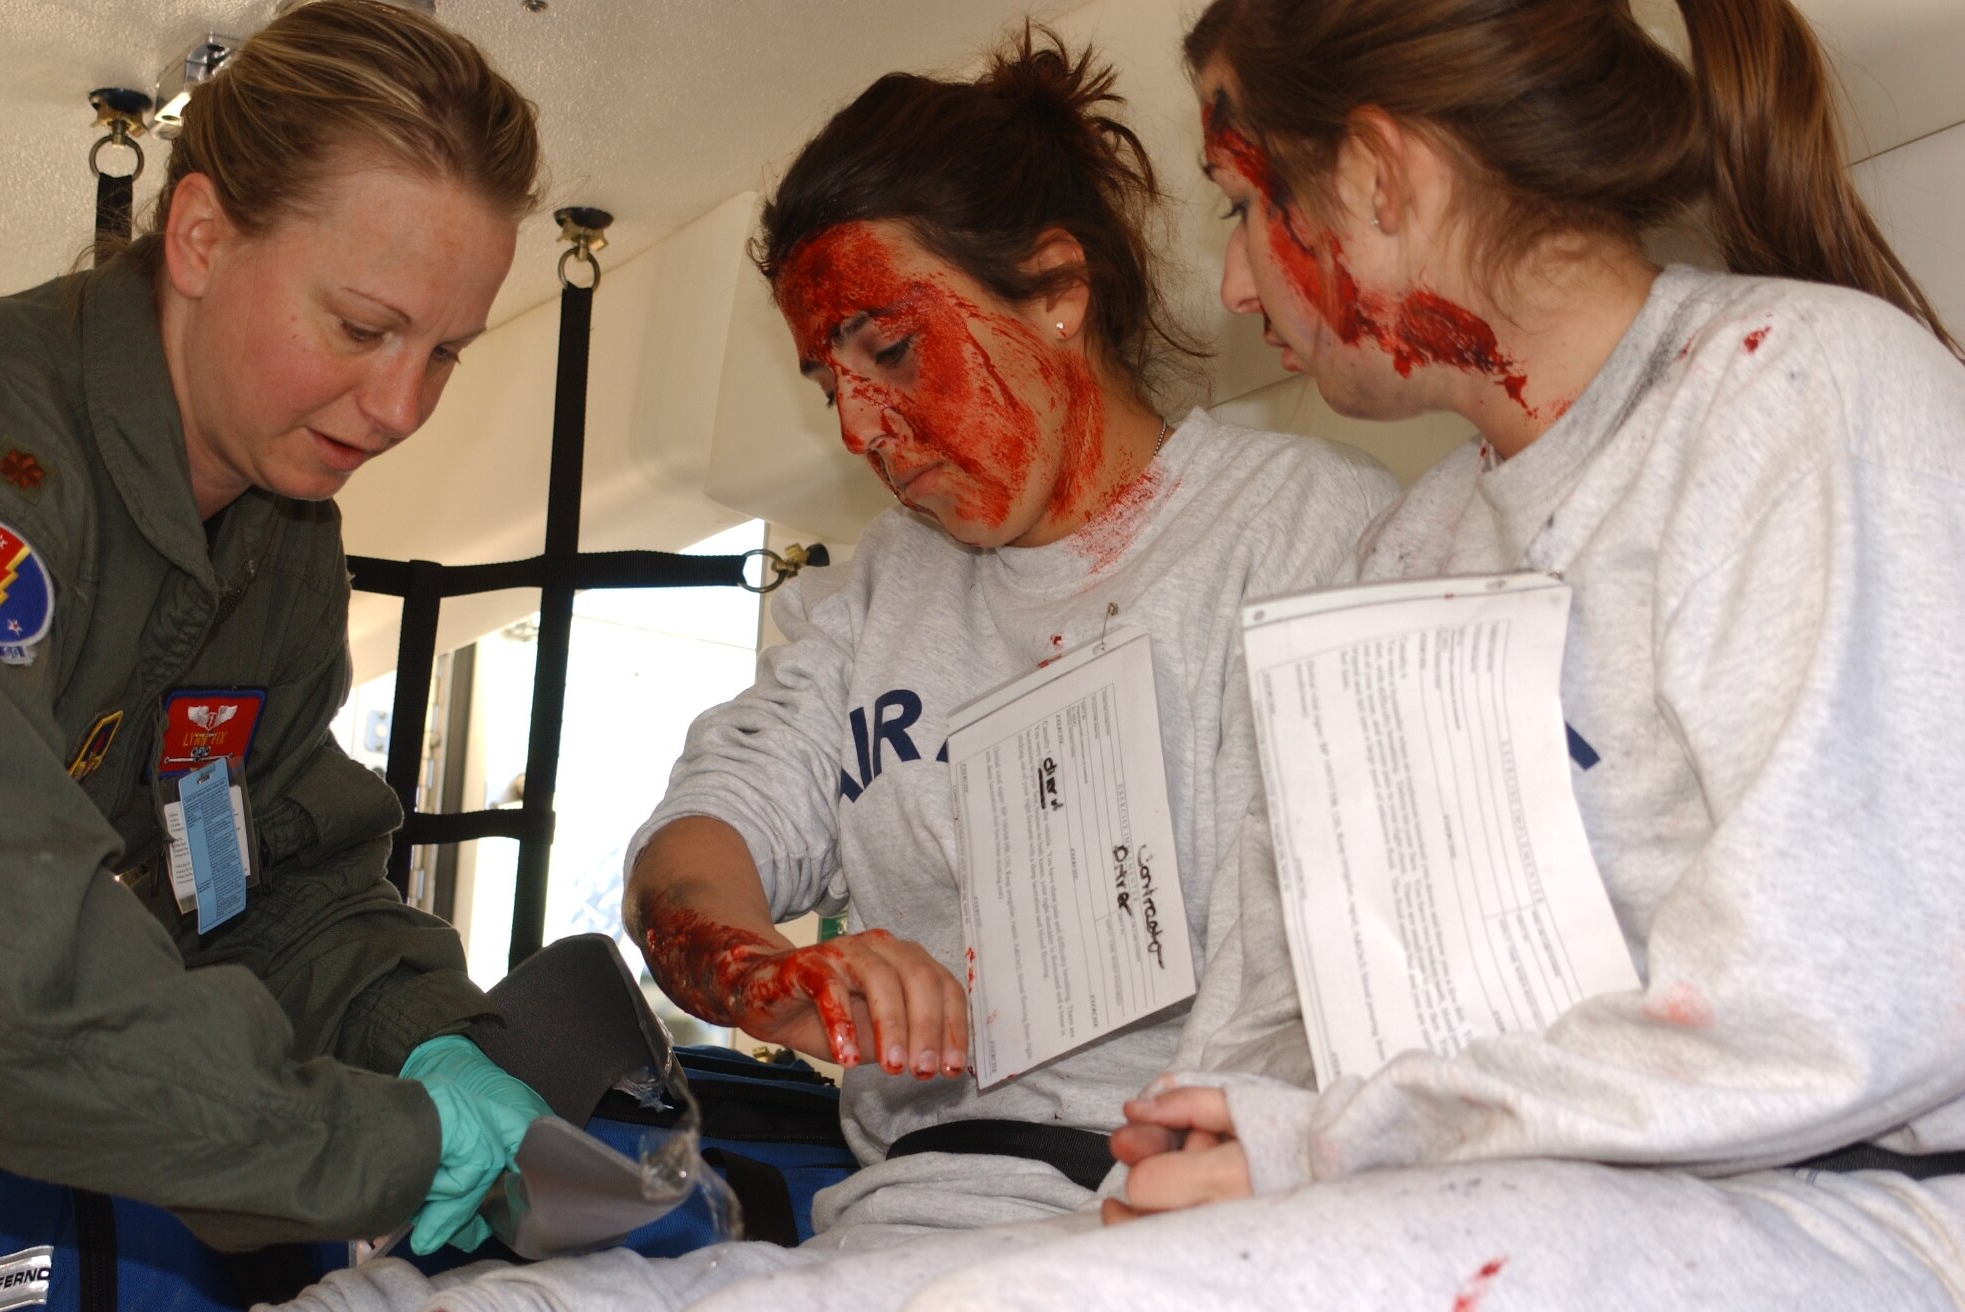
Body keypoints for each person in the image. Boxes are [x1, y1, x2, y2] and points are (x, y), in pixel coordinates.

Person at [272, 27, 1395, 1312]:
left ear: (1054, 289)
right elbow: (688, 853)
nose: (863, 429)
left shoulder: (1309, 537)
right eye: (827, 384)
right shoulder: (877, 595)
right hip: (893, 1224)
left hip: (1174, 1229)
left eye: (891, 349)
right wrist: (765, 968)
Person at [862, 0, 1965, 1306]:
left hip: (1852, 1207)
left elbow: (1851, 1005)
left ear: (1380, 179)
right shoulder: (1415, 546)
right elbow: (1293, 990)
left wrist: (1328, 1140)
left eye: (1238, 204)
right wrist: (1204, 1135)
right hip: (1515, 1190)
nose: (1229, 281)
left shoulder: (1799, 395)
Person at [0, 0, 554, 1256]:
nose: (398, 407)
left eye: (446, 352)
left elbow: (267, 870)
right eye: (360, 327)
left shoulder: (280, 542)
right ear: (199, 236)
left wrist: (427, 1035)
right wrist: (384, 1145)